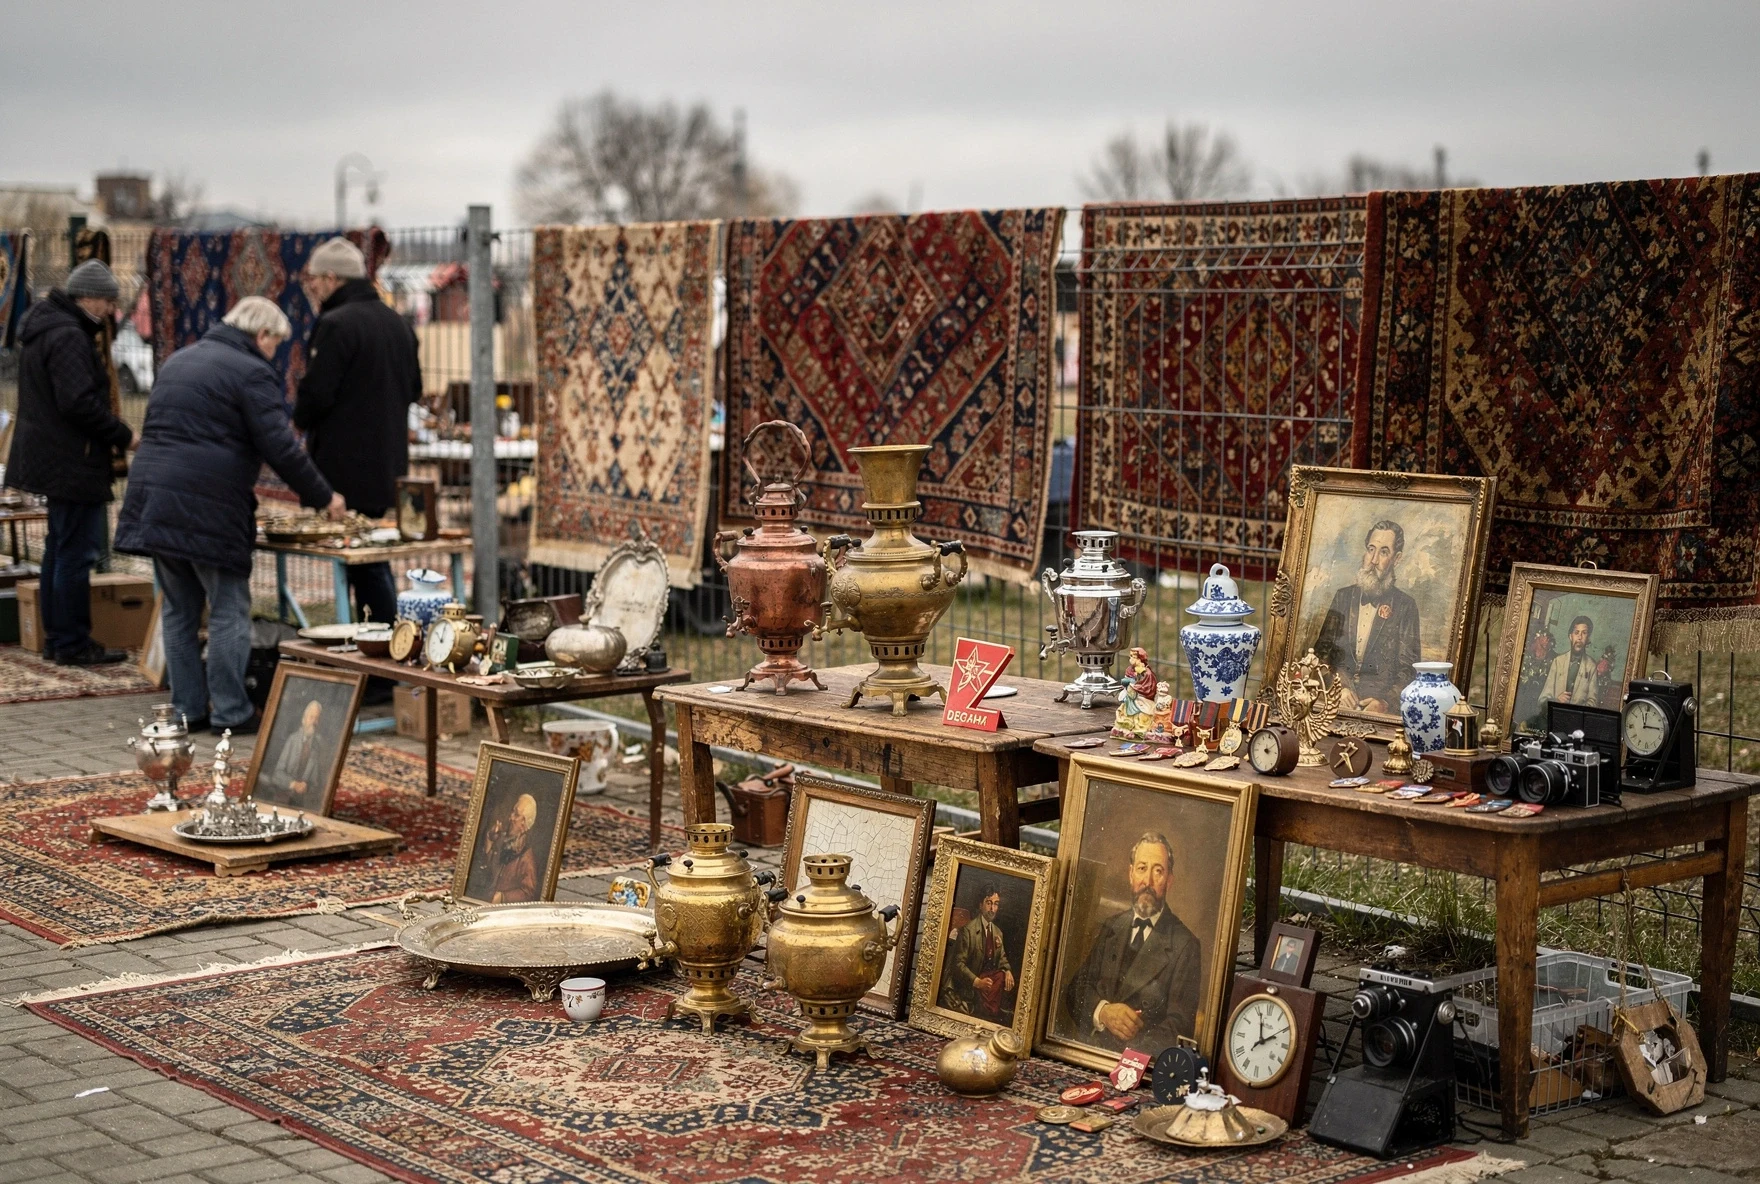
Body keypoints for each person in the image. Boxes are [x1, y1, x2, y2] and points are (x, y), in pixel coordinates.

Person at [114, 297, 343, 733]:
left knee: (179, 611)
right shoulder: (251, 371)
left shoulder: (179, 360)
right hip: (208, 505)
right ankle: (231, 711)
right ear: (262, 335)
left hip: (155, 499)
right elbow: (280, 446)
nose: (276, 353)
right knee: (227, 609)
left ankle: (187, 710)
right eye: (276, 343)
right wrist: (323, 496)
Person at [5, 260, 135, 665]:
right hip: (71, 459)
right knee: (74, 552)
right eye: (109, 301)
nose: (112, 311)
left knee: (58, 550)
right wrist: (123, 434)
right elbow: (78, 403)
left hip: (53, 455)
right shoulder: (69, 337)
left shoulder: (46, 329)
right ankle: (72, 642)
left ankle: (58, 639)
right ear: (90, 298)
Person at [293, 238, 421, 634]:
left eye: (314, 279)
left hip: (343, 469)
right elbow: (414, 388)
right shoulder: (397, 322)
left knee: (363, 566)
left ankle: (378, 656)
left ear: (332, 278)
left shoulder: (335, 325)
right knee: (368, 561)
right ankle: (382, 651)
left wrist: (303, 414)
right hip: (387, 463)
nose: (310, 287)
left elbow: (314, 399)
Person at [1061, 832, 1202, 1054]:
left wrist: (1130, 1056)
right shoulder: (1112, 926)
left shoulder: (1185, 946)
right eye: (1142, 868)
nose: (1148, 882)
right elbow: (1076, 990)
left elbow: (1180, 1025)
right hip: (1091, 1053)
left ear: (1170, 880)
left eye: (1158, 871)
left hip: (1137, 1063)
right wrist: (1104, 1012)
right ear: (1130, 874)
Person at [1311, 519, 1421, 712]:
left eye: (1384, 552)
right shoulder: (1343, 597)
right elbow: (1321, 655)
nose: (1373, 560)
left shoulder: (1405, 606)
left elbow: (1408, 670)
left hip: (1378, 708)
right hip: (1337, 701)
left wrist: (1385, 703)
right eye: (1371, 549)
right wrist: (1340, 687)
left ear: (1397, 559)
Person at [942, 889, 1016, 1020]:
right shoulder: (968, 931)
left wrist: (1008, 970)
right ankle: (983, 1009)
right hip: (972, 984)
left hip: (990, 985)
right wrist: (977, 982)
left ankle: (989, 1011)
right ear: (980, 905)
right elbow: (958, 964)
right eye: (989, 903)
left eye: (996, 904)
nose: (992, 908)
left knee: (1000, 975)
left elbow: (1002, 959)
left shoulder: (998, 932)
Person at [478, 793, 541, 904]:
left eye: (516, 815)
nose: (510, 817)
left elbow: (528, 892)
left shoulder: (526, 857)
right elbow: (488, 867)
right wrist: (490, 840)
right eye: (512, 812)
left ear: (524, 823)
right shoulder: (503, 840)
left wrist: (503, 897)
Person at [267, 698, 329, 805]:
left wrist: (306, 785)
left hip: (306, 797)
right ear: (303, 720)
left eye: (317, 719)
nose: (314, 722)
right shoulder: (292, 740)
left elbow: (321, 779)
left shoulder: (319, 744)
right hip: (285, 792)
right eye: (311, 717)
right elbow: (277, 774)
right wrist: (293, 784)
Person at [1538, 615, 1602, 709]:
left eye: (1584, 633)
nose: (1579, 637)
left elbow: (1593, 703)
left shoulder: (1591, 666)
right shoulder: (1558, 662)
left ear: (1588, 638)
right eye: (1576, 632)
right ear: (1570, 636)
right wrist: (1557, 700)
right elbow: (1542, 700)